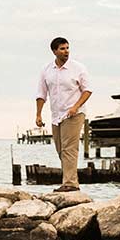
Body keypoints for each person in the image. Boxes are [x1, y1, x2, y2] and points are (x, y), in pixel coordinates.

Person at [34, 37, 93, 192]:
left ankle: (70, 184)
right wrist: (38, 114)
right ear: (54, 51)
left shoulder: (78, 68)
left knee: (69, 148)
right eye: (62, 49)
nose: (66, 51)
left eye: (67, 48)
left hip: (74, 113)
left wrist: (76, 106)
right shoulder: (47, 70)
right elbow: (41, 93)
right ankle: (70, 181)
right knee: (60, 149)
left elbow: (87, 90)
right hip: (56, 115)